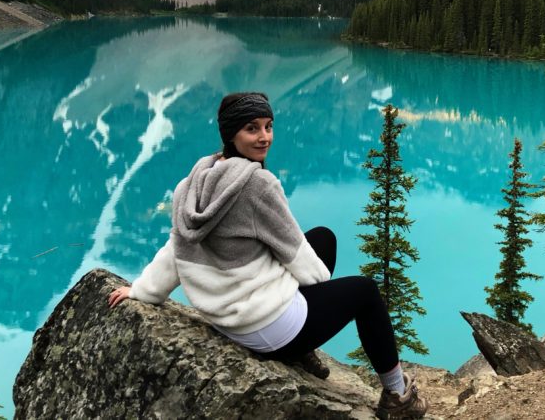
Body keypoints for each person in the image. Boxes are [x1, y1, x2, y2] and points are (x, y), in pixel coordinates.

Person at [107, 91, 428, 419]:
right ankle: (397, 398)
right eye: (252, 129)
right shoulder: (257, 185)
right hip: (268, 327)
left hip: (228, 319)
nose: (264, 137)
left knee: (321, 238)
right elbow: (299, 256)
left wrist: (143, 291)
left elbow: (176, 249)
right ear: (231, 134)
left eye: (268, 127)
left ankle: (302, 350)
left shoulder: (191, 185)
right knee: (365, 292)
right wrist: (319, 295)